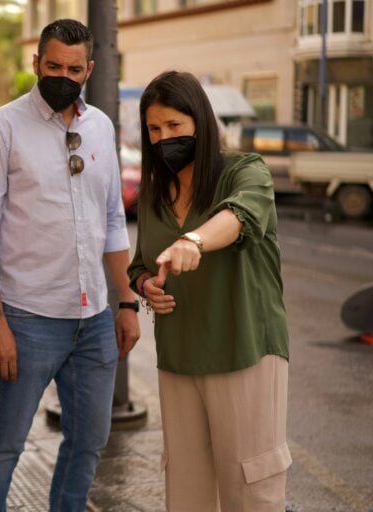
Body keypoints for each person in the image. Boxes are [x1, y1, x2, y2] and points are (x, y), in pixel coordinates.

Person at [0, 18, 141, 512]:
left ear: (91, 68)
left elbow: (111, 220)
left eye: (73, 68)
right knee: (4, 445)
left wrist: (125, 301)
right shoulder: (0, 129)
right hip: (27, 318)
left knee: (88, 444)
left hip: (94, 320)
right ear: (36, 62)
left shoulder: (101, 127)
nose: (62, 75)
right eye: (52, 65)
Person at [127, 70, 291, 512]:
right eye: (154, 129)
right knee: (186, 489)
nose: (164, 138)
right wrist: (146, 286)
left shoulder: (245, 171)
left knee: (250, 488)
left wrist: (193, 240)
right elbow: (141, 264)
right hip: (178, 356)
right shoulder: (153, 192)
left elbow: (241, 216)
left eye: (175, 126)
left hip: (244, 350)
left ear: (199, 121)